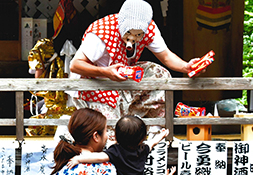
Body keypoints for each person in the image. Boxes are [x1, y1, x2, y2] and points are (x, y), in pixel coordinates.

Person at [68, 0, 202, 123]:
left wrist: (186, 67)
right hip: (94, 85)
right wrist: (105, 72)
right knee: (110, 133)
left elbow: (166, 57)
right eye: (128, 33)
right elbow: (75, 65)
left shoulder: (148, 29)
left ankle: (154, 130)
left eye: (138, 35)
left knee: (158, 74)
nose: (132, 38)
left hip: (121, 80)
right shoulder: (101, 33)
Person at [67, 115, 170, 175]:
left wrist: (79, 159)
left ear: (116, 135)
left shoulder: (116, 152)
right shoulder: (143, 150)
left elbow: (99, 157)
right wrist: (162, 135)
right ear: (142, 138)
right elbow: (153, 142)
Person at [48, 108, 124, 175]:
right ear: (96, 136)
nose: (107, 137)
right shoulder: (103, 167)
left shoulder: (61, 165)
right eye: (106, 131)